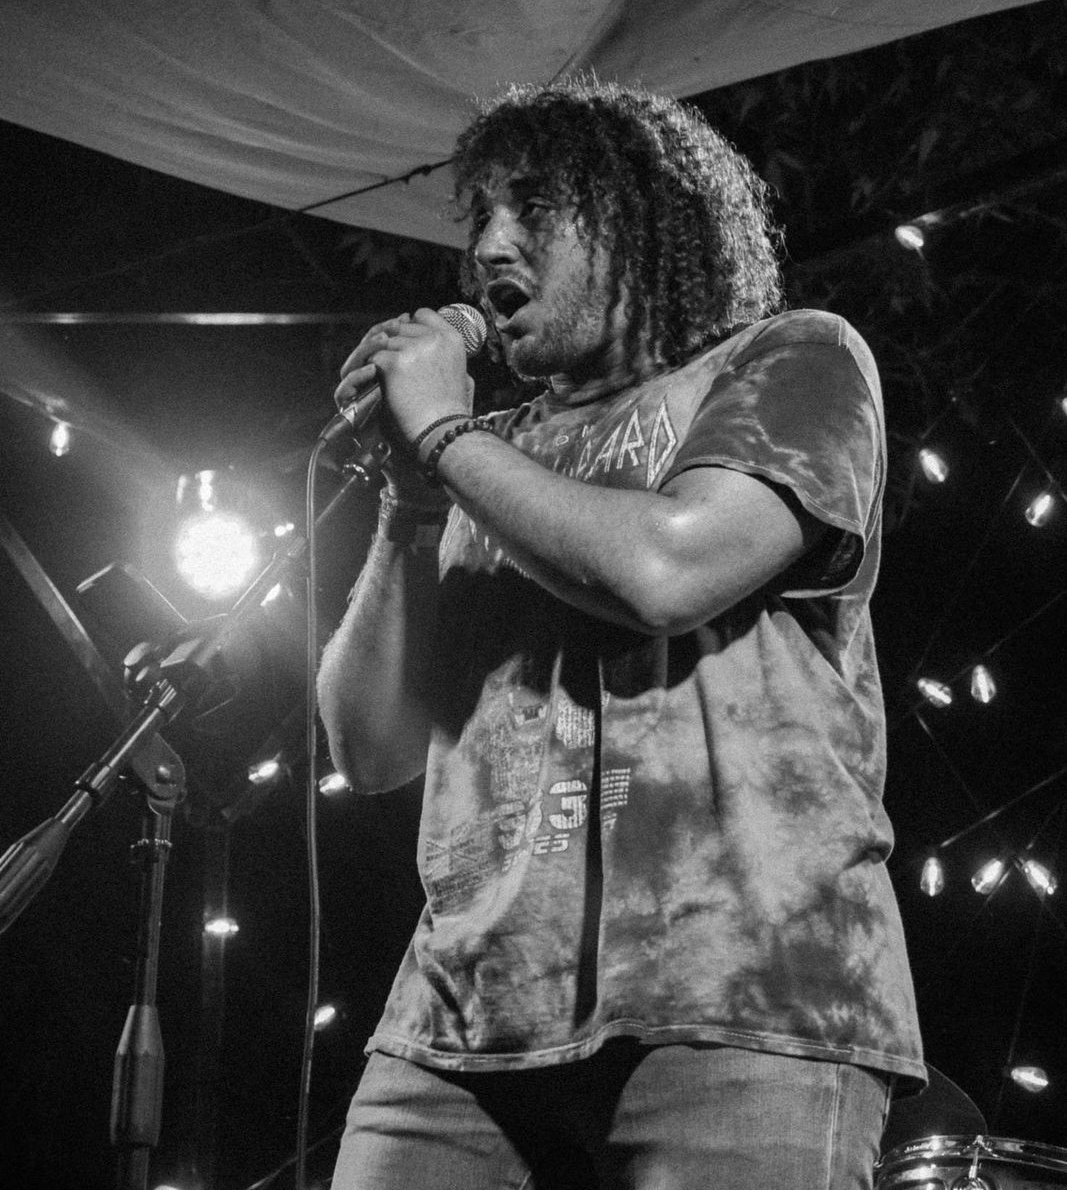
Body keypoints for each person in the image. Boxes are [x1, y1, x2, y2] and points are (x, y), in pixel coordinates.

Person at [317, 76, 925, 1190]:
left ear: (643, 219)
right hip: (457, 1028)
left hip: (741, 1004)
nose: (489, 246)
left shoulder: (789, 359)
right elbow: (369, 748)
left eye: (534, 207)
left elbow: (666, 570)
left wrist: (445, 433)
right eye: (479, 215)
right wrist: (406, 504)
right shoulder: (483, 457)